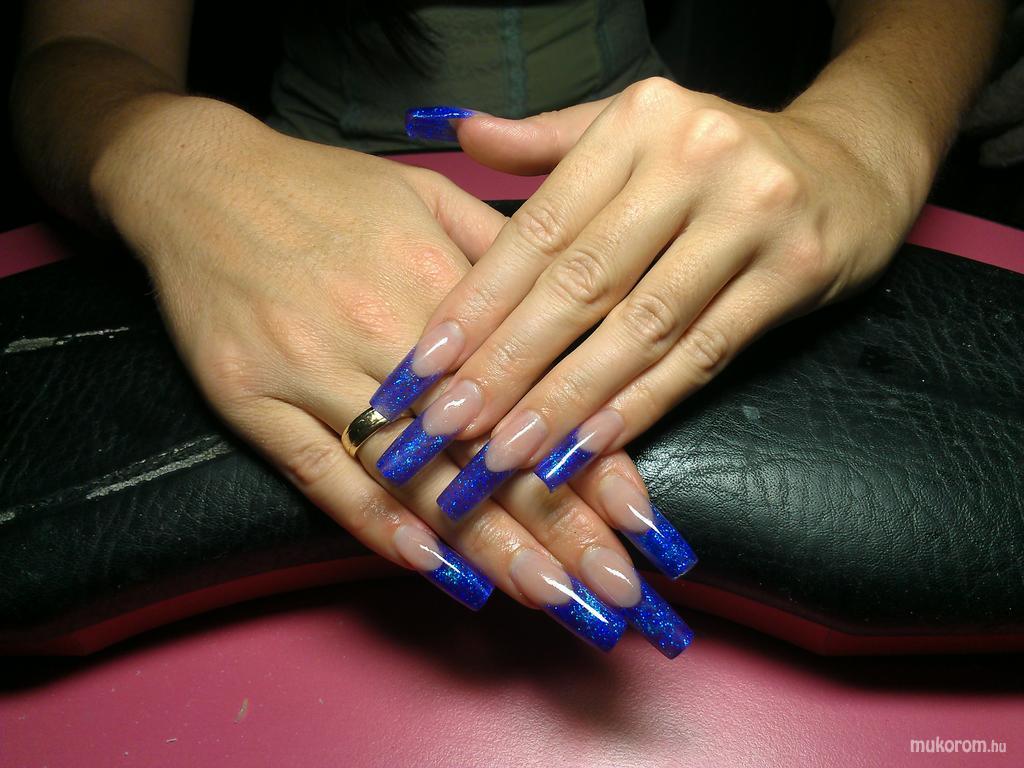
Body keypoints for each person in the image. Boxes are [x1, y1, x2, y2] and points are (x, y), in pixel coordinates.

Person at [10, 0, 1003, 655]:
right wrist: (167, 152)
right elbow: (80, 49)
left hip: (666, 183)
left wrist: (864, 135)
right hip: (291, 217)